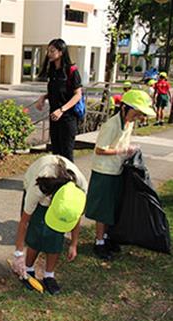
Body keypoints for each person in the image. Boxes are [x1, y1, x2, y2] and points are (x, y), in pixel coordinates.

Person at [85, 90, 156, 260]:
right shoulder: (111, 125)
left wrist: (128, 150)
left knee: (113, 207)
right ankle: (99, 242)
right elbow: (100, 149)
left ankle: (107, 237)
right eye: (136, 112)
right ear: (124, 108)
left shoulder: (128, 122)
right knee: (103, 209)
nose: (137, 117)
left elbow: (125, 141)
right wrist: (122, 151)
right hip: (104, 171)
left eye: (140, 114)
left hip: (117, 169)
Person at [11, 155, 87, 295]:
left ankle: (49, 275)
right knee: (36, 231)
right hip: (40, 185)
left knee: (56, 236)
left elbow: (75, 217)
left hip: (61, 194)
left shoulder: (80, 190)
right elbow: (24, 222)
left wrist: (73, 244)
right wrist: (18, 253)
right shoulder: (38, 189)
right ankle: (28, 269)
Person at [36, 38, 83, 162]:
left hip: (68, 117)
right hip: (54, 117)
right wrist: (43, 97)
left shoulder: (72, 71)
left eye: (52, 51)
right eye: (48, 51)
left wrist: (62, 110)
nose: (49, 54)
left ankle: (70, 179)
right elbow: (56, 91)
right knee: (56, 152)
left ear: (61, 52)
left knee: (66, 153)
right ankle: (58, 179)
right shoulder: (53, 70)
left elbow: (77, 95)